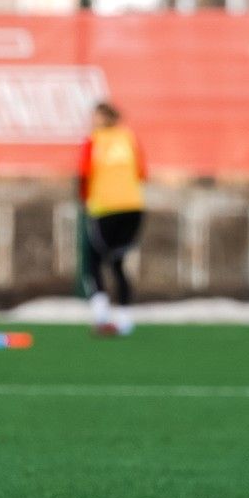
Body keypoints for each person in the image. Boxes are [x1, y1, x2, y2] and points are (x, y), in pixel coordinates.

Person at [79, 101, 146, 336]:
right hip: (133, 208)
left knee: (93, 261)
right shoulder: (128, 138)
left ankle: (101, 315)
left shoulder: (93, 140)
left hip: (105, 208)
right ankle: (125, 319)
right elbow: (141, 172)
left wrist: (85, 199)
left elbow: (84, 173)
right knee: (118, 262)